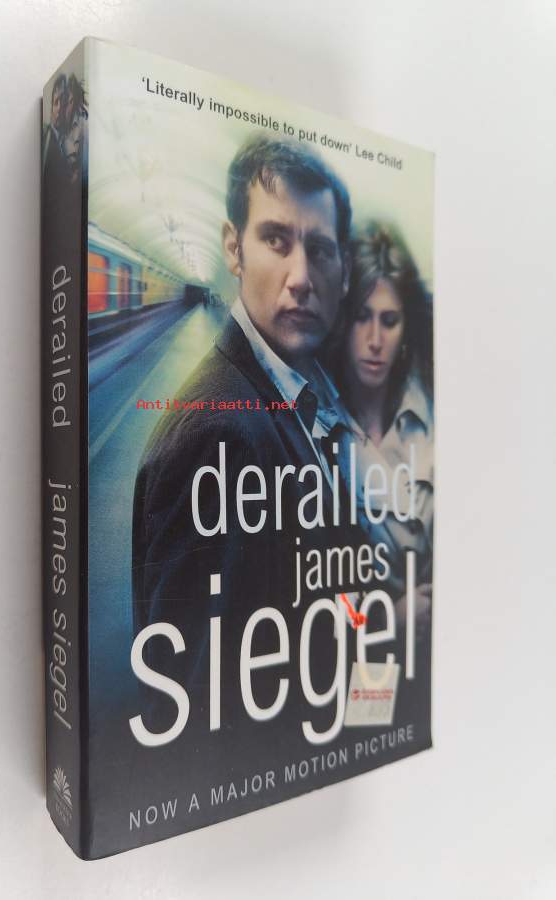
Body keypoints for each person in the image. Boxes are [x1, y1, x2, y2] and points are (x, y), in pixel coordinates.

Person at [131, 135, 370, 742]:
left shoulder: (299, 392)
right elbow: (192, 714)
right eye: (276, 240)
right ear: (233, 248)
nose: (301, 278)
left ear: (343, 270)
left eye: (320, 250)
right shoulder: (220, 435)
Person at [329, 223, 434, 611]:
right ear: (343, 322)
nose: (375, 340)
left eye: (389, 321)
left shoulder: (430, 414)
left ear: (406, 329)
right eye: (362, 317)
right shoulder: (320, 426)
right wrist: (386, 619)